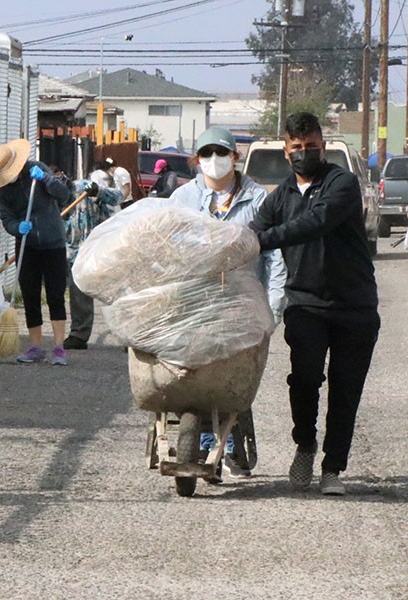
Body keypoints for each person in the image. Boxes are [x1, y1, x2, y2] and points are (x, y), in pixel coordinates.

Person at [249, 112, 380, 496]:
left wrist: (262, 241)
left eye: (311, 146)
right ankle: (305, 443)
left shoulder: (342, 183)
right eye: (297, 148)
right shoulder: (281, 196)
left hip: (353, 305)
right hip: (305, 305)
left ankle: (332, 469)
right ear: (286, 150)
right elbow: (254, 233)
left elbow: (316, 223)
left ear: (322, 145)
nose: (304, 153)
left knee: (346, 390)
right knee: (304, 381)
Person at [168, 126, 287, 479]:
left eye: (221, 153)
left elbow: (275, 258)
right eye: (206, 154)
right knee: (198, 375)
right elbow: (167, 250)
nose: (214, 161)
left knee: (233, 378)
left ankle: (232, 439)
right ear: (197, 160)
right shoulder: (181, 200)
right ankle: (206, 440)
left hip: (242, 305)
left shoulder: (259, 200)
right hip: (194, 303)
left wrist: (273, 307)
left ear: (235, 157)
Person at [0, 139, 71, 365]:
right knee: (31, 296)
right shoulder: (3, 192)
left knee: (55, 295)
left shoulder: (37, 170)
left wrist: (47, 179)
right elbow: (6, 219)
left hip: (53, 243)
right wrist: (17, 227)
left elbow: (64, 194)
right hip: (27, 245)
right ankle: (36, 347)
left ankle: (59, 348)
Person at [62, 178, 123, 350]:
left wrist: (98, 192)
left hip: (101, 248)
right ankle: (78, 335)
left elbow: (118, 196)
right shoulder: (49, 200)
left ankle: (128, 336)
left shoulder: (82, 188)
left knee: (116, 293)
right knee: (78, 294)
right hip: (73, 255)